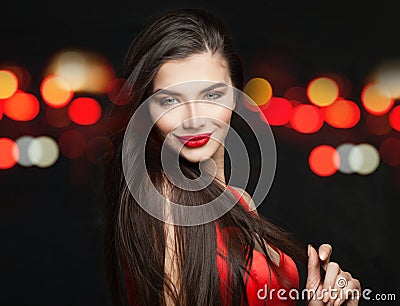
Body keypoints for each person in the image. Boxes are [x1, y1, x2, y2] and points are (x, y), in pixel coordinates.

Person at [102, 7, 361, 306]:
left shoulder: (240, 202)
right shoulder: (165, 205)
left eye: (212, 95)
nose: (194, 118)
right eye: (171, 100)